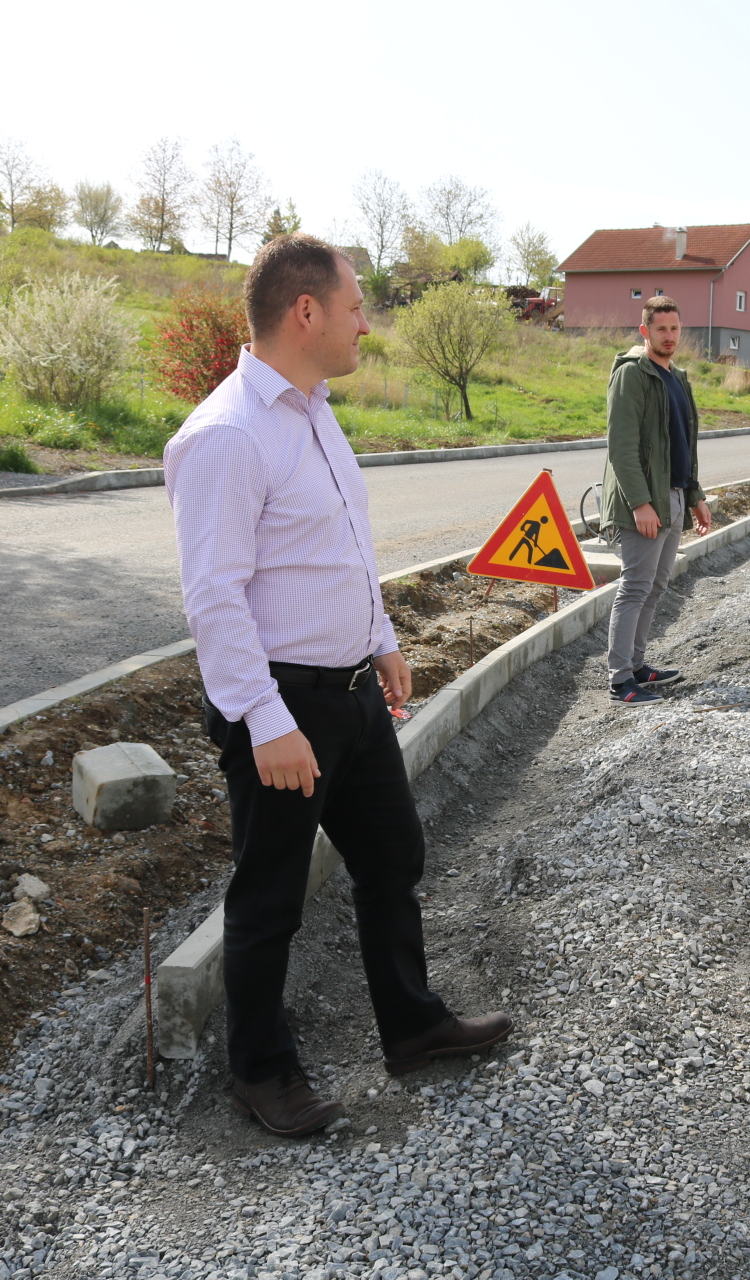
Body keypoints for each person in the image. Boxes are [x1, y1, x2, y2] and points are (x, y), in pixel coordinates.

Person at [164, 234, 511, 1139]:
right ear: (305, 312)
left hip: (351, 693)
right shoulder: (225, 435)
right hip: (283, 707)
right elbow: (215, 598)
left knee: (393, 859)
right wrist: (267, 722)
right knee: (269, 898)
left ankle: (413, 1025)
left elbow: (339, 552)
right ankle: (262, 1071)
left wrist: (383, 640)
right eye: (358, 305)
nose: (369, 321)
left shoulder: (314, 412)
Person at [599, 296, 713, 704]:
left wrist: (696, 494)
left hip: (675, 496)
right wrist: (640, 503)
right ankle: (619, 681)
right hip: (644, 502)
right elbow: (622, 446)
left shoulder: (677, 378)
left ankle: (637, 666)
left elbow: (685, 445)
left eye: (675, 329)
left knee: (656, 584)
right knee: (635, 585)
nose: (669, 336)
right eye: (661, 329)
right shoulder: (631, 375)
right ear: (645, 331)